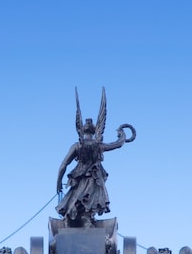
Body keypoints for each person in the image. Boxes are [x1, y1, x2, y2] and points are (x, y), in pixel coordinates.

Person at [55, 88, 134, 228]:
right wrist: (121, 134)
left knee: (76, 197)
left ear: (81, 130)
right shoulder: (98, 145)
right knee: (88, 199)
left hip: (80, 178)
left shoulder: (77, 146)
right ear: (95, 130)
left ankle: (74, 218)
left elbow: (63, 166)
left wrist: (58, 182)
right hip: (94, 178)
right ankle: (85, 219)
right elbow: (117, 144)